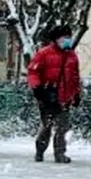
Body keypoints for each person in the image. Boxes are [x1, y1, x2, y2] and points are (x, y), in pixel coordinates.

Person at [26, 25, 82, 164]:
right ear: (56, 39)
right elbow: (33, 72)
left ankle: (60, 153)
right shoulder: (44, 53)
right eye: (64, 38)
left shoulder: (72, 56)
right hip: (47, 95)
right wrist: (37, 88)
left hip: (65, 97)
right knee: (47, 125)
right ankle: (40, 150)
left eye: (69, 37)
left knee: (63, 126)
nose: (67, 40)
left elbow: (75, 77)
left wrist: (76, 94)